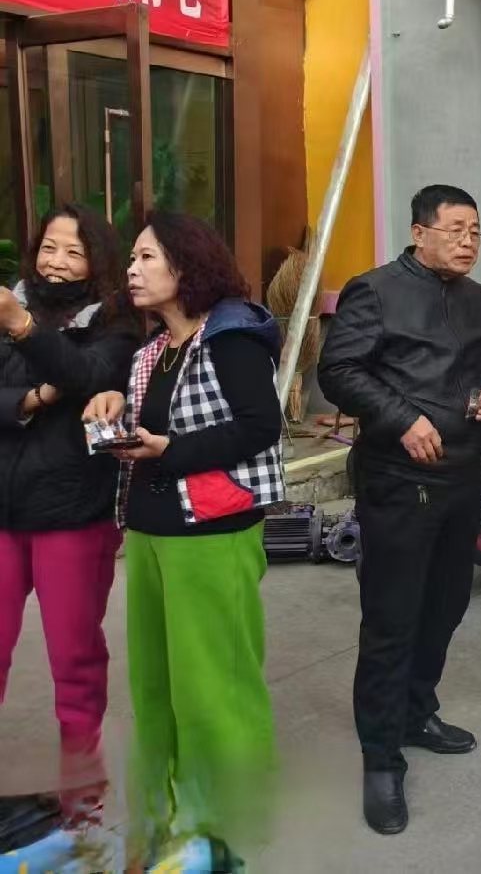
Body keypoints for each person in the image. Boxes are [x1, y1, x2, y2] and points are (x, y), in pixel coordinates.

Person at [81, 212, 284, 865]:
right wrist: (114, 411)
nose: (132, 269)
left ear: (185, 264)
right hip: (148, 533)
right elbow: (151, 428)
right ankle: (166, 823)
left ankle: (224, 831)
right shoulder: (152, 351)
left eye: (147, 257)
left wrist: (170, 449)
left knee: (215, 691)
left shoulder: (230, 335)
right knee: (156, 690)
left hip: (212, 532)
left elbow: (261, 426)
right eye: (131, 258)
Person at [318, 184, 481, 836]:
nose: (467, 241)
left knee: (446, 605)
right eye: (455, 229)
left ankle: (415, 712)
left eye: (475, 231)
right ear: (418, 232)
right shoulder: (375, 291)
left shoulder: (475, 297)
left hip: (462, 476)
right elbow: (339, 370)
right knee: (392, 618)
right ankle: (380, 757)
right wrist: (402, 419)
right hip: (399, 481)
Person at [0, 205, 139, 803]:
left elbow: (88, 376)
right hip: (2, 513)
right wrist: (31, 399)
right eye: (49, 248)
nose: (56, 262)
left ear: (97, 262)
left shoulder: (116, 324)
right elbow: (55, 384)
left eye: (74, 252)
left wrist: (24, 330)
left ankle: (80, 788)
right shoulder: (9, 304)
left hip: (71, 512)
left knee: (74, 656)